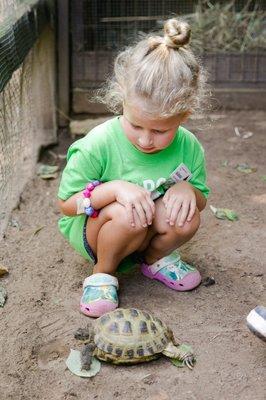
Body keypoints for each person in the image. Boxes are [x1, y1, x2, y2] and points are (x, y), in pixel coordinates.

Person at [58, 18, 210, 318]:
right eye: (136, 124)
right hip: (99, 232)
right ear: (122, 100)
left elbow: (202, 197)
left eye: (160, 131)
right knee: (127, 214)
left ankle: (154, 260)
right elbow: (67, 205)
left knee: (187, 216)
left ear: (184, 116)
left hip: (146, 229)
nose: (145, 140)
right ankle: (103, 273)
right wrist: (114, 189)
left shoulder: (188, 146)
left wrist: (187, 189)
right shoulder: (98, 144)